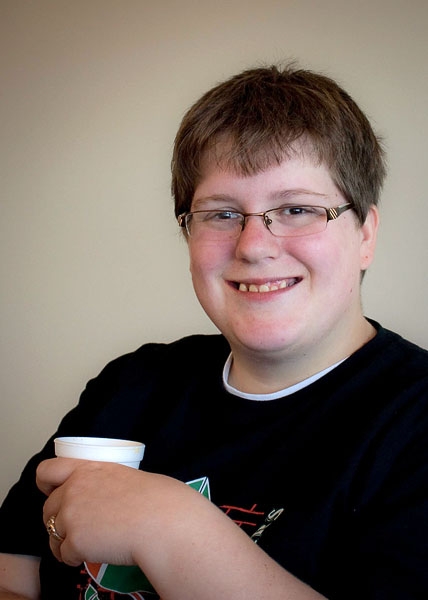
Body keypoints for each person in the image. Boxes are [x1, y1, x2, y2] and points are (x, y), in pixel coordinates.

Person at [0, 62, 427, 600]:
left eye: (296, 208)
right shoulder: (131, 383)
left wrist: (171, 527)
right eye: (222, 214)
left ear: (365, 233)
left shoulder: (413, 423)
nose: (253, 245)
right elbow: (12, 570)